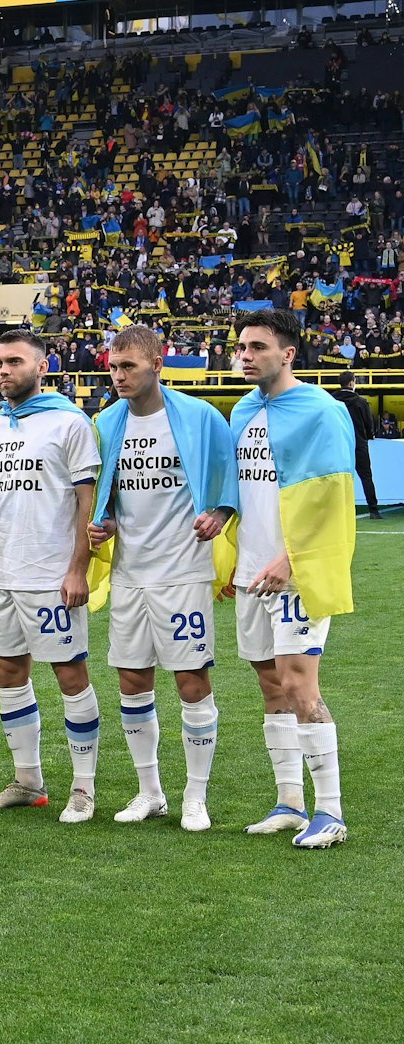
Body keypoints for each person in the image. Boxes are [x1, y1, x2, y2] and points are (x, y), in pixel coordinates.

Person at [88, 326, 237, 831]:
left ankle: (196, 795)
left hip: (183, 571)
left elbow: (229, 479)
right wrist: (103, 523)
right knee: (132, 679)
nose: (118, 375)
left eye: (128, 366)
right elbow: (109, 492)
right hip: (131, 572)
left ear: (158, 360)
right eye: (113, 366)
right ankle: (149, 791)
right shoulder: (106, 422)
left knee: (192, 680)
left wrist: (219, 513)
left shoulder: (198, 417)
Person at [0, 331, 102, 821]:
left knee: (70, 674)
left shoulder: (70, 422)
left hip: (50, 574)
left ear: (42, 366)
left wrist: (78, 567)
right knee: (8, 672)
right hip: (0, 571)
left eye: (14, 361)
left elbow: (87, 499)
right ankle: (28, 780)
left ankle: (83, 788)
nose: (3, 370)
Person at [227, 308, 355, 849]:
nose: (246, 356)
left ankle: (331, 811)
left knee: (300, 684)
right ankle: (289, 803)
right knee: (269, 684)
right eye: (242, 347)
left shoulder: (321, 410)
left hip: (294, 573)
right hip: (251, 572)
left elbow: (332, 498)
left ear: (288, 353)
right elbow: (241, 491)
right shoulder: (240, 412)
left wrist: (290, 558)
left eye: (257, 347)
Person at [330, 371, 382, 519]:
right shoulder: (361, 402)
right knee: (366, 476)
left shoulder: (331, 400)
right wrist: (368, 436)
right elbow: (368, 424)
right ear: (352, 382)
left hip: (338, 444)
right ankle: (374, 510)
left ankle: (335, 511)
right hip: (358, 444)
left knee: (336, 478)